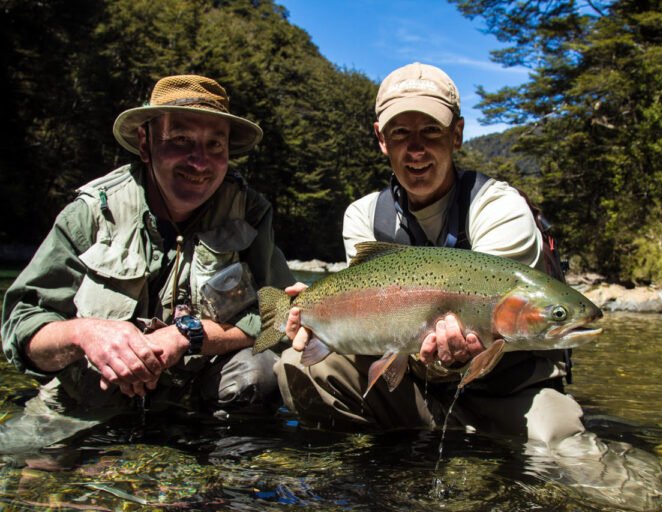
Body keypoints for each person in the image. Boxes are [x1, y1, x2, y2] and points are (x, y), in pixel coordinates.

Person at [274, 62, 586, 443]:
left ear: (457, 134)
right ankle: (402, 459)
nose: (416, 148)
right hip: (414, 386)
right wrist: (315, 316)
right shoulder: (364, 215)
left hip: (508, 390)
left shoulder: (500, 208)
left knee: (565, 452)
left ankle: (463, 443)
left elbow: (494, 322)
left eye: (431, 131)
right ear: (381, 139)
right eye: (401, 133)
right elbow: (371, 323)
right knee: (297, 367)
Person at [0, 74, 296, 453]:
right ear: (145, 143)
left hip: (196, 410)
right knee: (23, 476)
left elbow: (281, 314)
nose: (200, 161)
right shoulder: (92, 212)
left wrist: (187, 335)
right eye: (181, 140)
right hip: (86, 404)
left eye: (214, 145)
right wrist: (86, 333)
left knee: (264, 372)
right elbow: (21, 328)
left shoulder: (251, 212)